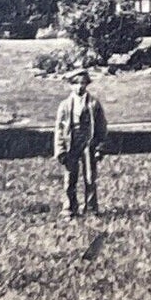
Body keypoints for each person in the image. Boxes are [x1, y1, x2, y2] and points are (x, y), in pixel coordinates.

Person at [53, 68, 107, 219]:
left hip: (88, 142)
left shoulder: (94, 104)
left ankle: (91, 208)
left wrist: (100, 147)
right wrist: (60, 149)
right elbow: (59, 129)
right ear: (71, 85)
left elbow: (101, 127)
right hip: (72, 142)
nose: (79, 87)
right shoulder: (64, 105)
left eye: (83, 83)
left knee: (90, 177)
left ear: (87, 84)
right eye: (76, 84)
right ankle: (69, 208)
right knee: (70, 177)